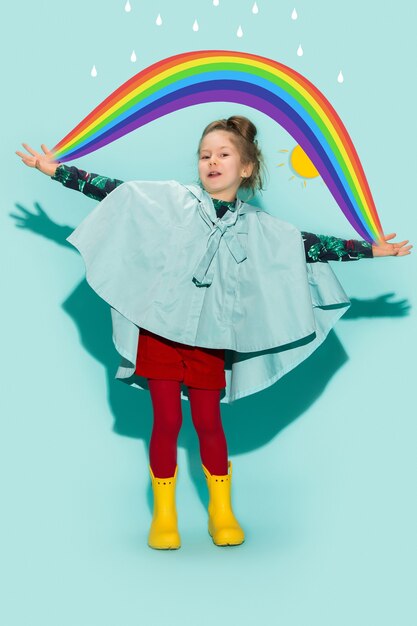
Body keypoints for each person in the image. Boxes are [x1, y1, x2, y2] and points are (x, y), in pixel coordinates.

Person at [16, 116, 412, 551]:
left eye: (223, 154)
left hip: (211, 337)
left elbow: (310, 245)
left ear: (246, 168)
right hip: (161, 329)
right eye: (205, 155)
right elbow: (117, 192)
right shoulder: (173, 201)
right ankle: (164, 515)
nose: (211, 161)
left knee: (209, 422)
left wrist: (374, 250)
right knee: (166, 420)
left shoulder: (261, 228)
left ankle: (220, 512)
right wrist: (54, 171)